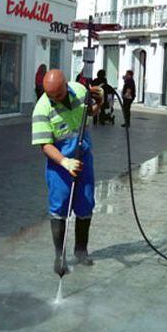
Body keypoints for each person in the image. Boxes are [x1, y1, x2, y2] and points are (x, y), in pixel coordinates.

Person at [32, 69, 103, 276]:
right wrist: (65, 162)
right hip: (59, 164)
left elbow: (90, 112)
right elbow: (45, 145)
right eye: (50, 96)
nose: (55, 99)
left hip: (84, 158)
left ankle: (81, 250)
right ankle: (59, 255)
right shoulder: (41, 109)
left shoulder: (80, 91)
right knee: (59, 206)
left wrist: (99, 103)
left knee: (86, 203)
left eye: (58, 95)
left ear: (66, 86)